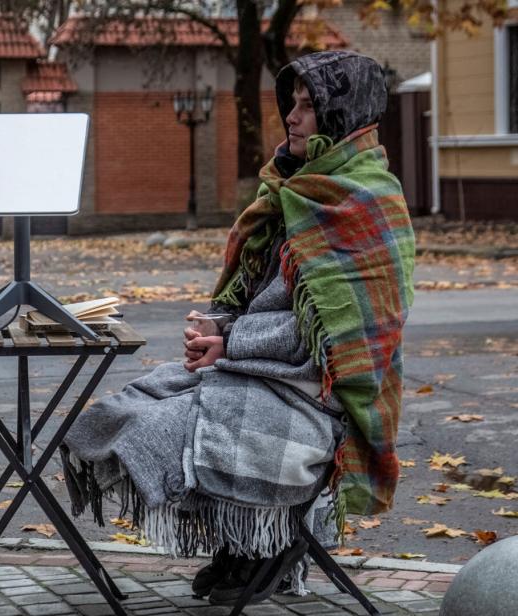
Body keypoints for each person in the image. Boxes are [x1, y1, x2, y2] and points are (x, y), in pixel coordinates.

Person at [60, 50, 415, 605]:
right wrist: (216, 327)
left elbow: (332, 341)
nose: (291, 119)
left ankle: (264, 545)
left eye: (307, 108)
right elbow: (256, 297)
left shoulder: (368, 203)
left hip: (321, 398)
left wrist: (229, 343)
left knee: (179, 426)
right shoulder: (289, 191)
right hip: (259, 373)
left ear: (344, 118)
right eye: (290, 105)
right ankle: (243, 543)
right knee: (137, 405)